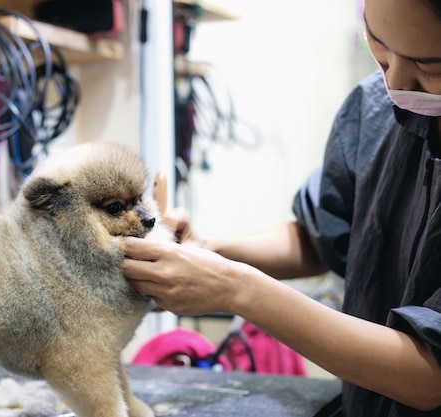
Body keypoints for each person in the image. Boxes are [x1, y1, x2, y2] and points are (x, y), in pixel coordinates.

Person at [121, 0, 441, 416]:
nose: (394, 81)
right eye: (378, 46)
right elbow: (321, 235)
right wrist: (209, 248)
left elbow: (429, 378)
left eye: (430, 68)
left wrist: (236, 288)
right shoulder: (373, 107)